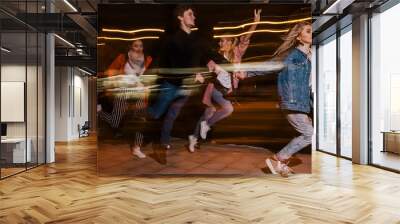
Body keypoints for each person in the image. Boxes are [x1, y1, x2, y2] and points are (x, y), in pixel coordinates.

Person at [188, 9, 262, 152]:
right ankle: (206, 126)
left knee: (208, 113)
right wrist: (199, 74)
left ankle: (194, 137)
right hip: (214, 89)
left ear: (230, 42)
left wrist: (255, 23)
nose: (221, 42)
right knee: (228, 108)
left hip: (227, 91)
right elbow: (205, 69)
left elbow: (246, 37)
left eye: (224, 40)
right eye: (220, 40)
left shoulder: (236, 54)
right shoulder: (214, 57)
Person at [147, 5, 214, 150]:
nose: (194, 16)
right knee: (156, 113)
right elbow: (176, 64)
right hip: (171, 85)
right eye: (190, 14)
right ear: (180, 17)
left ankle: (164, 141)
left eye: (193, 14)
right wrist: (194, 74)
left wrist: (208, 63)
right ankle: (138, 120)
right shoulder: (174, 40)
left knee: (173, 114)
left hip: (185, 86)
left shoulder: (195, 39)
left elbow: (201, 56)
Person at [265, 21, 313, 177]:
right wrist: (246, 72)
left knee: (307, 133)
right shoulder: (291, 56)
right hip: (292, 102)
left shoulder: (309, 56)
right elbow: (269, 65)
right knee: (308, 134)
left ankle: (280, 163)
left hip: (304, 102)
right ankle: (278, 158)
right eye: (308, 31)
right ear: (299, 37)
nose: (312, 33)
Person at [98, 40, 152, 158]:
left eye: (141, 46)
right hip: (123, 93)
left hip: (138, 95)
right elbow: (110, 72)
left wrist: (145, 85)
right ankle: (99, 112)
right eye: (136, 45)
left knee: (140, 121)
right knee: (115, 122)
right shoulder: (122, 58)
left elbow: (147, 76)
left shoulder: (147, 59)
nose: (138, 48)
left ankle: (136, 148)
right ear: (131, 47)